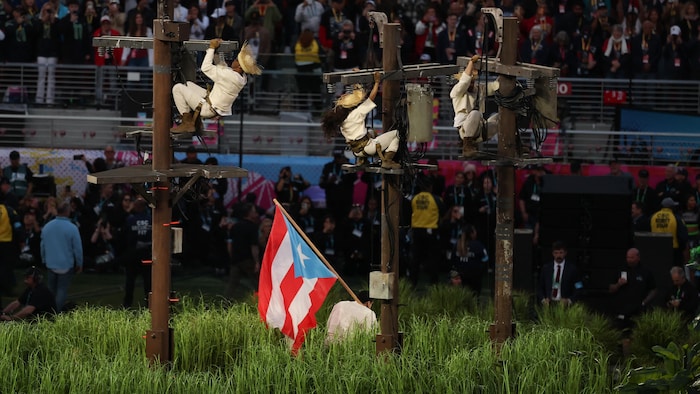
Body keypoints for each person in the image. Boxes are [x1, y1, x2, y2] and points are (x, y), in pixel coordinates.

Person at [171, 39, 261, 133]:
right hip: (212, 105)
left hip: (207, 108)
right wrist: (217, 51)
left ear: (239, 67)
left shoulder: (230, 76)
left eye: (236, 60)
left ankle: (187, 123)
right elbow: (222, 67)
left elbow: (205, 68)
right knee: (188, 85)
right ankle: (195, 122)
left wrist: (211, 48)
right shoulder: (241, 78)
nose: (234, 60)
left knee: (177, 88)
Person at [320, 72, 401, 169]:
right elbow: (371, 99)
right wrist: (377, 83)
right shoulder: (356, 114)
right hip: (369, 148)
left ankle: (362, 160)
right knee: (396, 134)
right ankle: (387, 161)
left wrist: (356, 79)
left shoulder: (342, 123)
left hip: (357, 152)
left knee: (371, 131)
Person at [450, 54, 500, 158]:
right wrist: (471, 62)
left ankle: (516, 144)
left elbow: (495, 86)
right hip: (465, 129)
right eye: (470, 81)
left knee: (501, 117)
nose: (471, 84)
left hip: (481, 131)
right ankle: (467, 145)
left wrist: (504, 71)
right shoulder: (457, 91)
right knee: (475, 113)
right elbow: (464, 81)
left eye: (473, 81)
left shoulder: (479, 89)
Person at [40, 203, 83, 312]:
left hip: (51, 262)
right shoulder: (72, 228)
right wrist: (79, 263)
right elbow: (77, 248)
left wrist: (44, 259)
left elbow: (43, 245)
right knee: (62, 290)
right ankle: (56, 312)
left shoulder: (47, 226)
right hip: (66, 264)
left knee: (51, 290)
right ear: (67, 212)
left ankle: (48, 311)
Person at [609, 248, 657, 329]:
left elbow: (654, 289)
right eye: (628, 257)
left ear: (638, 257)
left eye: (632, 258)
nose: (629, 260)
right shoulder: (621, 269)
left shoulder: (645, 271)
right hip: (622, 309)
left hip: (638, 310)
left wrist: (644, 302)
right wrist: (618, 284)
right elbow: (610, 289)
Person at [225, 203, 260, 297]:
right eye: (254, 211)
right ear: (249, 213)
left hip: (236, 259)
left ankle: (225, 303)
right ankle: (262, 302)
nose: (256, 213)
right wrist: (256, 261)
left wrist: (232, 256)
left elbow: (230, 243)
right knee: (257, 283)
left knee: (232, 284)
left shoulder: (235, 226)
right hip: (248, 259)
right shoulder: (253, 227)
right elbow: (254, 246)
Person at [122, 198, 152, 307]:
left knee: (130, 282)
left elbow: (125, 235)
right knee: (148, 283)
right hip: (147, 255)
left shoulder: (130, 220)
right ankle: (149, 305)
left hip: (133, 255)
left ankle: (127, 304)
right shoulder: (150, 219)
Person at [537, 241, 583, 306]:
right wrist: (543, 300)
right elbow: (540, 287)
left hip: (565, 305)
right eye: (556, 253)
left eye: (561, 253)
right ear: (553, 253)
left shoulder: (572, 269)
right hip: (549, 304)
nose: (558, 255)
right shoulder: (546, 269)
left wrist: (569, 300)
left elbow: (579, 287)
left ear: (565, 253)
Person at [651, 197, 688, 267]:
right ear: (672, 207)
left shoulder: (653, 216)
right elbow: (683, 236)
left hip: (657, 248)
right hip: (673, 249)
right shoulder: (676, 218)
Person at [319, 151, 355, 222]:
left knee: (344, 222)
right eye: (337, 157)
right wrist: (329, 182)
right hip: (331, 201)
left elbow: (354, 179)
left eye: (340, 157)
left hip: (345, 202)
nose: (338, 159)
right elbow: (321, 184)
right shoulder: (328, 167)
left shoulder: (349, 167)